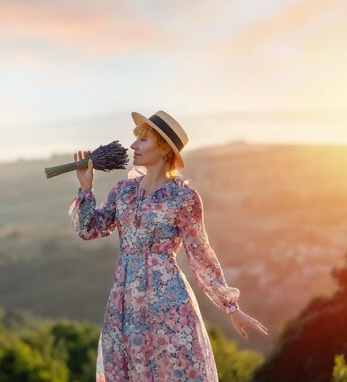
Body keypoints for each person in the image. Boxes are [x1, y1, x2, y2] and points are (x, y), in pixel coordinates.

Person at [68, 110, 268, 381]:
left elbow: (200, 254)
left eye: (142, 140)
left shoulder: (183, 198)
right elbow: (88, 229)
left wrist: (230, 306)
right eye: (136, 139)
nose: (133, 146)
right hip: (125, 302)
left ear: (163, 148)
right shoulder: (123, 191)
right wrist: (86, 189)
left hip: (168, 303)